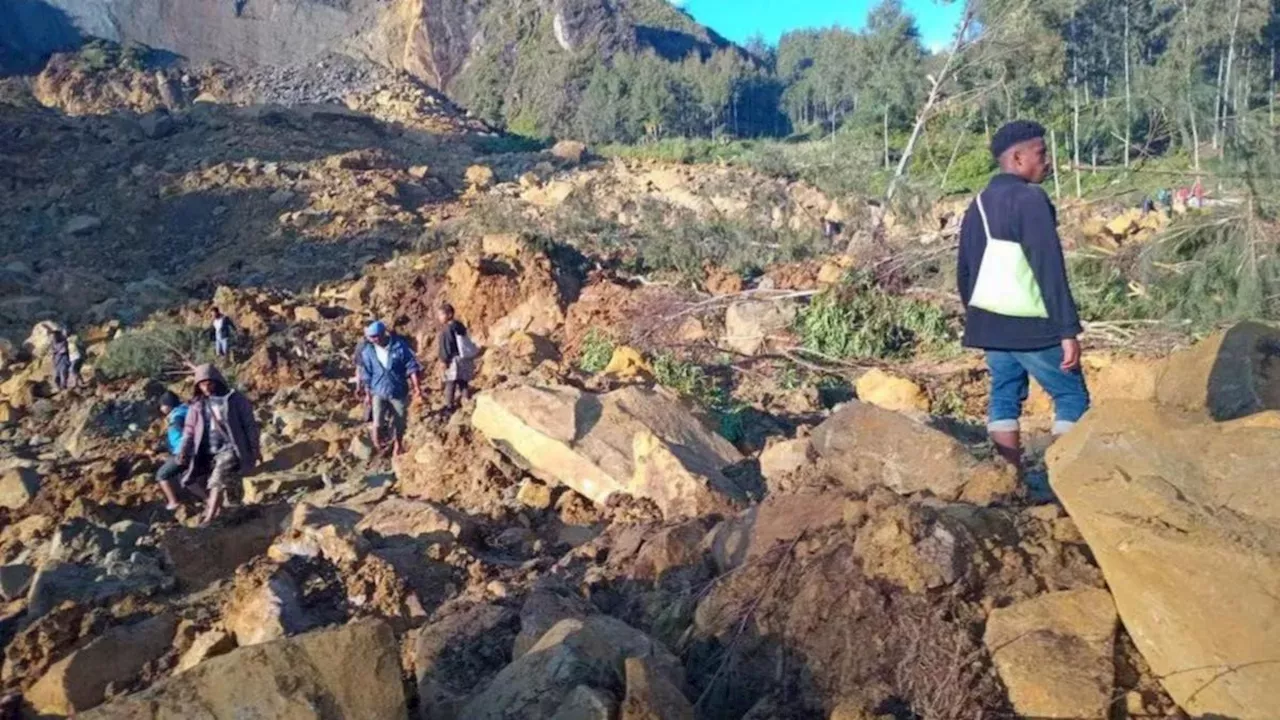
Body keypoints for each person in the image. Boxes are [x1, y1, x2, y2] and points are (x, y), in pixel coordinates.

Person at [956, 120, 1090, 473]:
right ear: (1017, 158)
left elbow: (965, 270)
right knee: (1071, 395)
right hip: (1033, 325)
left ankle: (1008, 479)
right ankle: (1062, 480)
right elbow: (1048, 266)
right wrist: (1067, 330)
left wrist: (980, 314)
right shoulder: (1031, 199)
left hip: (990, 322)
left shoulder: (978, 204)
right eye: (1041, 153)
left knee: (1004, 396)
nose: (1047, 161)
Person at [176, 364, 260, 525]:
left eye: (209, 383)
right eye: (202, 384)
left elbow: (249, 425)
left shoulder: (234, 400)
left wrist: (254, 448)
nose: (206, 387)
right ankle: (231, 512)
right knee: (222, 483)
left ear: (217, 381)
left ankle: (209, 517)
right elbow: (189, 431)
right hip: (207, 450)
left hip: (231, 447)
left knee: (217, 479)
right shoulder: (197, 405)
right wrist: (184, 450)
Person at [356, 320, 424, 455]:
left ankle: (398, 445)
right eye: (371, 337)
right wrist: (367, 395)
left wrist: (417, 387)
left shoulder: (399, 347)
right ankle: (377, 444)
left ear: (383, 334)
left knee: (400, 420)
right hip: (378, 391)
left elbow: (411, 366)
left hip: (398, 390)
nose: (374, 339)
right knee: (377, 420)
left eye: (376, 336)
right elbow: (366, 374)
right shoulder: (368, 351)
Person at [436, 303, 477, 410]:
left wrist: (444, 361)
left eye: (441, 314)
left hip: (453, 360)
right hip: (463, 358)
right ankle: (466, 402)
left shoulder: (447, 329)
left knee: (450, 383)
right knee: (463, 381)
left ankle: (449, 406)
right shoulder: (459, 325)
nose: (439, 317)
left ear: (449, 314)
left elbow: (446, 346)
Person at [155, 391, 189, 510]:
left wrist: (183, 452)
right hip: (192, 450)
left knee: (161, 475)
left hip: (183, 452)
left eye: (162, 405)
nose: (161, 408)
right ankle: (207, 499)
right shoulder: (185, 410)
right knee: (188, 479)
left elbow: (184, 435)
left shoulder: (177, 417)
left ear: (168, 405)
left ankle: (173, 502)